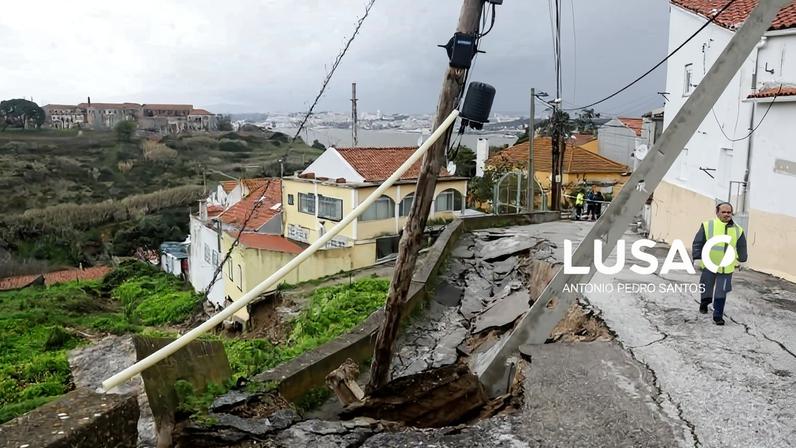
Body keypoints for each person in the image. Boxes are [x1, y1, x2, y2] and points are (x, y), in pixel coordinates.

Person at [691, 202, 748, 325]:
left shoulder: (738, 230)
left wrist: (742, 260)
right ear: (717, 213)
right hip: (708, 264)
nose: (727, 214)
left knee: (721, 290)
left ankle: (718, 315)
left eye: (729, 212)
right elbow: (698, 242)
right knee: (706, 286)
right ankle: (704, 303)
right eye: (724, 212)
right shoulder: (708, 225)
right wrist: (697, 258)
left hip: (726, 267)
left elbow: (741, 246)